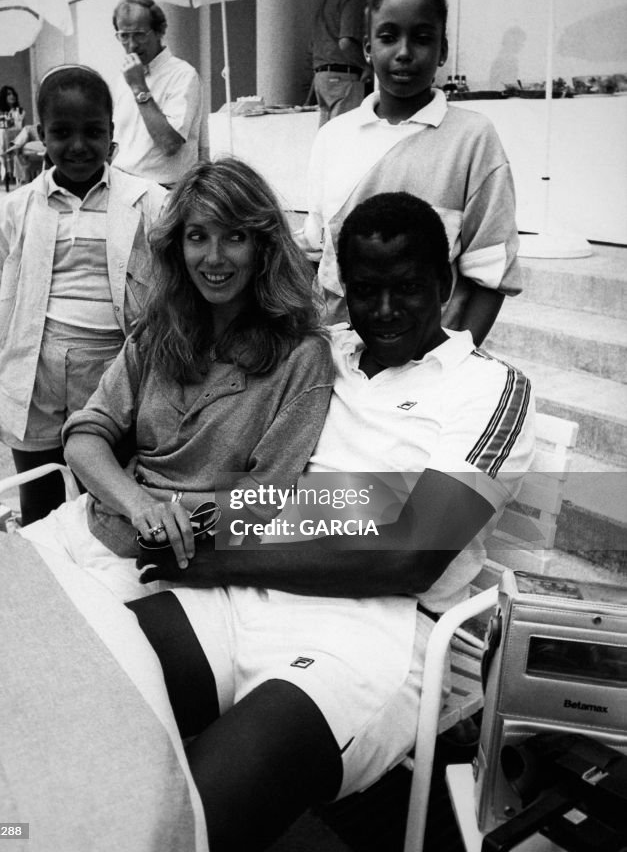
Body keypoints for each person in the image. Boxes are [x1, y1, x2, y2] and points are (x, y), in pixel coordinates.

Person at [128, 190, 535, 852]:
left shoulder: (489, 388)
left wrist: (224, 556)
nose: (382, 311)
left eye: (405, 289)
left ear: (445, 282)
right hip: (248, 592)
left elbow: (412, 555)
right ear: (343, 289)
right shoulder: (320, 349)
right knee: (87, 679)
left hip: (374, 631)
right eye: (365, 290)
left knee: (195, 814)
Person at [19, 157, 334, 598]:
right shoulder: (159, 331)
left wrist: (167, 516)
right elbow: (85, 436)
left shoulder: (301, 357)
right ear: (177, 247)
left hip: (170, 562)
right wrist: (139, 505)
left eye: (235, 237)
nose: (214, 257)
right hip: (93, 521)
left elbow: (263, 500)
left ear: (263, 246)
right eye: (197, 236)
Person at [0, 65, 167, 524]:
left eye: (93, 131)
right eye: (61, 132)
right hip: (33, 384)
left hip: (112, 384)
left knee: (111, 505)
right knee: (39, 506)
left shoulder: (148, 202)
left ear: (112, 134)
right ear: (41, 136)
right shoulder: (16, 210)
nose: (77, 145)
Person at [301, 0, 521, 345]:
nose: (404, 52)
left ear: (443, 50)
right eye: (388, 38)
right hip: (340, 352)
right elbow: (314, 256)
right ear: (367, 49)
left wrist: (450, 365)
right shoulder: (333, 137)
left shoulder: (471, 139)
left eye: (421, 38)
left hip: (428, 355)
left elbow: (489, 269)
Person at [110, 0, 206, 188]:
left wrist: (139, 88)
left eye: (139, 34)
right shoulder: (123, 78)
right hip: (122, 185)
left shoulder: (183, 75)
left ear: (159, 31)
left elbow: (169, 144)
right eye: (124, 36)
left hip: (164, 190)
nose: (132, 45)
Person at [311, 0, 384, 126]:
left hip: (322, 74)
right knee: (344, 134)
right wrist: (368, 67)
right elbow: (346, 42)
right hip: (343, 75)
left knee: (328, 136)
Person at [0, 85, 25, 190]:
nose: (12, 96)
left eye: (13, 94)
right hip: (3, 139)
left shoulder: (20, 111)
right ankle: (7, 172)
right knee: (3, 140)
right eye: (9, 94)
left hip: (17, 141)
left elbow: (22, 128)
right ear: (3, 96)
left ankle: (16, 173)